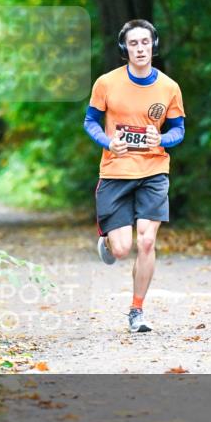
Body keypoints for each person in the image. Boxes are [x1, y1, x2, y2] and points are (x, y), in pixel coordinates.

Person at [83, 19, 186, 333]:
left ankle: (137, 310)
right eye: (133, 43)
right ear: (124, 48)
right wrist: (108, 141)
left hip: (154, 170)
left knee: (146, 240)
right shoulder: (106, 83)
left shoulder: (169, 87)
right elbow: (90, 122)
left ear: (153, 45)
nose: (140, 49)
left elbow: (178, 130)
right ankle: (109, 241)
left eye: (144, 42)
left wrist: (162, 140)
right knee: (123, 248)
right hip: (115, 172)